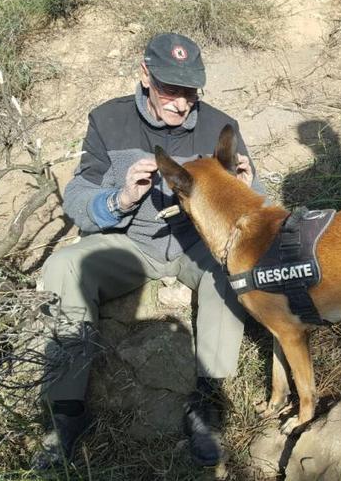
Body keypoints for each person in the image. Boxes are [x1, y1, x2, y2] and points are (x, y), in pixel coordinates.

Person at [33, 32, 265, 470]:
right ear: (145, 74)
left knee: (230, 271)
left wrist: (245, 189)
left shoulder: (220, 125)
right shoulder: (108, 120)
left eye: (190, 92)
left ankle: (207, 401)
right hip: (132, 245)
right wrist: (117, 199)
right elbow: (77, 196)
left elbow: (260, 200)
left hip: (199, 246)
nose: (181, 103)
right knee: (64, 266)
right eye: (170, 89)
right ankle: (66, 414)